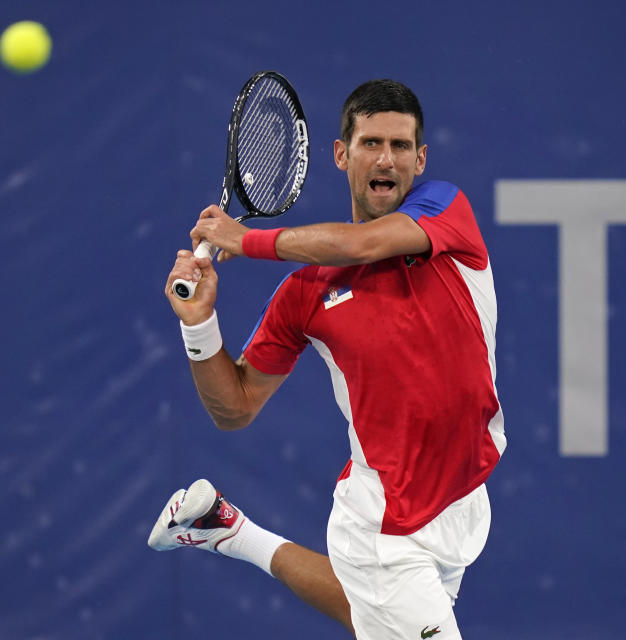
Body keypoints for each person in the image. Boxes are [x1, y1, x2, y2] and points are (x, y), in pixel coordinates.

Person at [148, 79, 506, 639]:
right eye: (369, 144)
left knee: (365, 614)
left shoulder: (446, 209)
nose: (385, 158)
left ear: (420, 159)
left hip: (462, 498)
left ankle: (227, 529)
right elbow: (235, 407)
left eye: (400, 145)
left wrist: (249, 241)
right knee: (385, 602)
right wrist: (201, 327)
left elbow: (362, 245)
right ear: (342, 154)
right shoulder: (306, 294)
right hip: (383, 525)